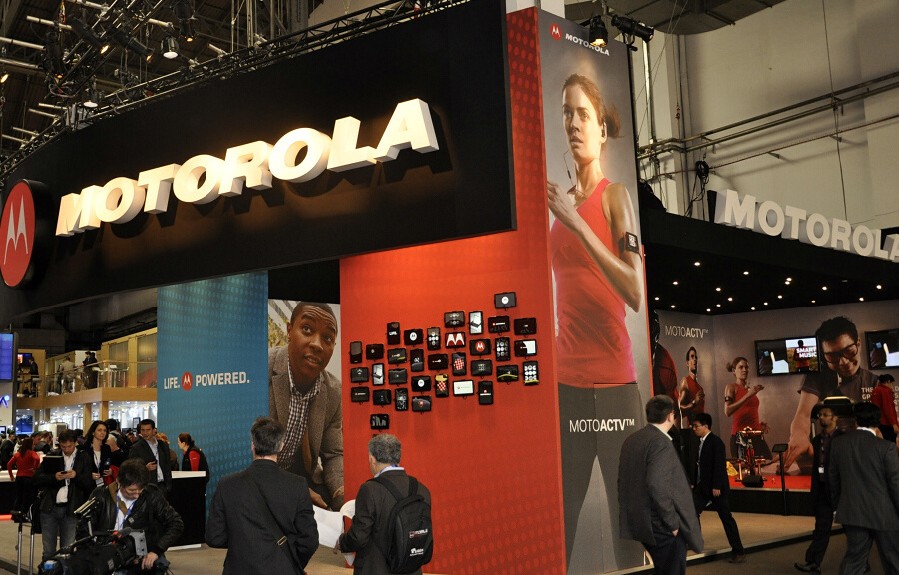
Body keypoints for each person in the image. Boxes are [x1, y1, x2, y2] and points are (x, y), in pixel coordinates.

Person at [546, 72, 644, 566]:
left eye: (583, 114)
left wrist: (576, 222)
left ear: (602, 129)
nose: (573, 123)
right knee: (561, 522)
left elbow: (635, 291)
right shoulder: (560, 204)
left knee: (628, 528)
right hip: (565, 385)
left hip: (615, 386)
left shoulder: (614, 196)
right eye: (567, 113)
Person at [206, 417, 318, 574]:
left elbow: (214, 537)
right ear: (281, 446)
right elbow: (309, 539)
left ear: (252, 445)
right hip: (282, 569)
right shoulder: (297, 484)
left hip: (239, 568)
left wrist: (241, 543)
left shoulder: (227, 484)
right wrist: (292, 562)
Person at [269, 301, 344, 511]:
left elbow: (333, 454)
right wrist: (293, 490)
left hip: (303, 478)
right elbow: (250, 456)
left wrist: (342, 497)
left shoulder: (334, 391)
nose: (317, 344)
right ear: (289, 331)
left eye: (327, 338)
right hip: (263, 478)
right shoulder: (259, 370)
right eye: (307, 329)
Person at [618, 395, 703, 575]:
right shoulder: (660, 442)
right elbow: (656, 485)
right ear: (670, 415)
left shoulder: (632, 439)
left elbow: (623, 481)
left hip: (640, 520)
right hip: (659, 524)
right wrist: (672, 523)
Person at [786, 316, 880, 468]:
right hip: (829, 457)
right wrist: (798, 436)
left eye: (849, 351)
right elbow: (803, 414)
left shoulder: (874, 382)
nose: (843, 362)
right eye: (832, 356)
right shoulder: (818, 377)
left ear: (858, 344)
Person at [337, 433, 432, 575]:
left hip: (376, 569)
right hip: (411, 569)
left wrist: (342, 542)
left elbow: (359, 537)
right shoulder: (422, 489)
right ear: (398, 457)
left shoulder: (370, 489)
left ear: (372, 459)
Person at [828, 402, 899, 574]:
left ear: (855, 420)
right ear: (878, 421)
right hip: (884, 514)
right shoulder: (886, 447)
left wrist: (837, 507)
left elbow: (833, 480)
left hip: (852, 511)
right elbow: (895, 483)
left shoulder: (838, 444)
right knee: (893, 560)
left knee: (854, 560)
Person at [84, 458, 184, 574]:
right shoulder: (101, 495)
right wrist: (96, 555)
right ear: (118, 481)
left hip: (141, 561)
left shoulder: (151, 494)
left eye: (140, 490)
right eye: (131, 491)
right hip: (108, 560)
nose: (137, 495)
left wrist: (157, 551)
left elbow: (176, 523)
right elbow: (85, 529)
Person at [690, 413, 746, 563]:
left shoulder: (716, 442)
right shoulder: (699, 442)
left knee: (726, 518)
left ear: (706, 426)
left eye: (696, 426)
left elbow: (719, 465)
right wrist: (694, 483)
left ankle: (738, 551)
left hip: (716, 489)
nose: (694, 429)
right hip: (702, 487)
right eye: (693, 426)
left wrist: (716, 485)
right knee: (691, 512)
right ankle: (696, 542)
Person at [33, 429, 94, 561]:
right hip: (50, 507)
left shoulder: (84, 457)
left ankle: (64, 569)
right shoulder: (52, 455)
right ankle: (48, 569)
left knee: (67, 552)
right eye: (63, 446)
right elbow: (37, 478)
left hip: (72, 509)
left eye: (69, 446)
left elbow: (89, 483)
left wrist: (76, 476)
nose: (66, 449)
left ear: (75, 443)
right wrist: (53, 477)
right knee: (48, 551)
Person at [794, 405, 841, 575]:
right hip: (822, 490)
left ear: (835, 418)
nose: (821, 418)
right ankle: (813, 562)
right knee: (821, 528)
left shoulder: (843, 439)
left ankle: (862, 562)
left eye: (826, 415)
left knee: (854, 531)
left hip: (841, 490)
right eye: (820, 415)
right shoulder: (816, 440)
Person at [724, 356, 771, 460]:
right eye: (741, 367)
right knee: (744, 467)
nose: (744, 370)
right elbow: (727, 411)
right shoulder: (731, 387)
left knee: (767, 461)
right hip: (740, 436)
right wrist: (748, 396)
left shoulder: (750, 389)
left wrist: (759, 425)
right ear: (734, 371)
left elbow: (748, 410)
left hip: (756, 434)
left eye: (746, 367)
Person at [129, 419, 173, 494]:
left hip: (163, 487)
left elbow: (167, 466)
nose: (145, 433)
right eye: (143, 430)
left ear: (153, 430)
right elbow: (131, 469)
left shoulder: (163, 445)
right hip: (146, 488)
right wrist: (145, 468)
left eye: (148, 430)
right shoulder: (136, 448)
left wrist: (168, 485)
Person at [7, 436, 40, 513]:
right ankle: (24, 514)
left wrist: (11, 475)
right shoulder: (31, 453)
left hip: (19, 477)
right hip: (28, 477)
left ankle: (15, 514)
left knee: (19, 497)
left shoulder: (18, 454)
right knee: (27, 497)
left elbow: (9, 464)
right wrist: (34, 468)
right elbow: (37, 459)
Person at [81, 420, 116, 488]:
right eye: (99, 430)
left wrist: (110, 471)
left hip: (103, 484)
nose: (102, 432)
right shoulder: (83, 449)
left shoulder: (107, 448)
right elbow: (79, 469)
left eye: (105, 430)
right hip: (87, 486)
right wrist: (89, 475)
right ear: (93, 432)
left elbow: (109, 462)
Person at [871, 373, 898, 443]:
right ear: (888, 381)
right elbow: (888, 408)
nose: (892, 386)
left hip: (879, 422)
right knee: (890, 444)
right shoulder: (885, 391)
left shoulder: (875, 390)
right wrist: (894, 424)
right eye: (892, 383)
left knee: (882, 443)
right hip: (887, 423)